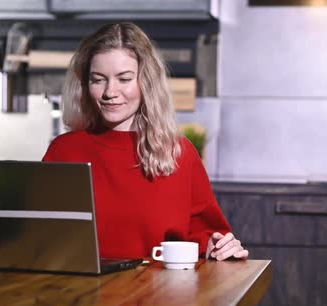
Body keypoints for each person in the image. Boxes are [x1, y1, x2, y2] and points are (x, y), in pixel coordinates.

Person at [43, 22, 248, 261]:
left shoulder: (179, 153)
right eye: (98, 80)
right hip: (81, 295)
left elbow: (205, 236)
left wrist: (216, 247)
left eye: (124, 79)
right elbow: (39, 236)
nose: (110, 92)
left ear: (146, 82)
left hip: (162, 295)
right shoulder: (64, 151)